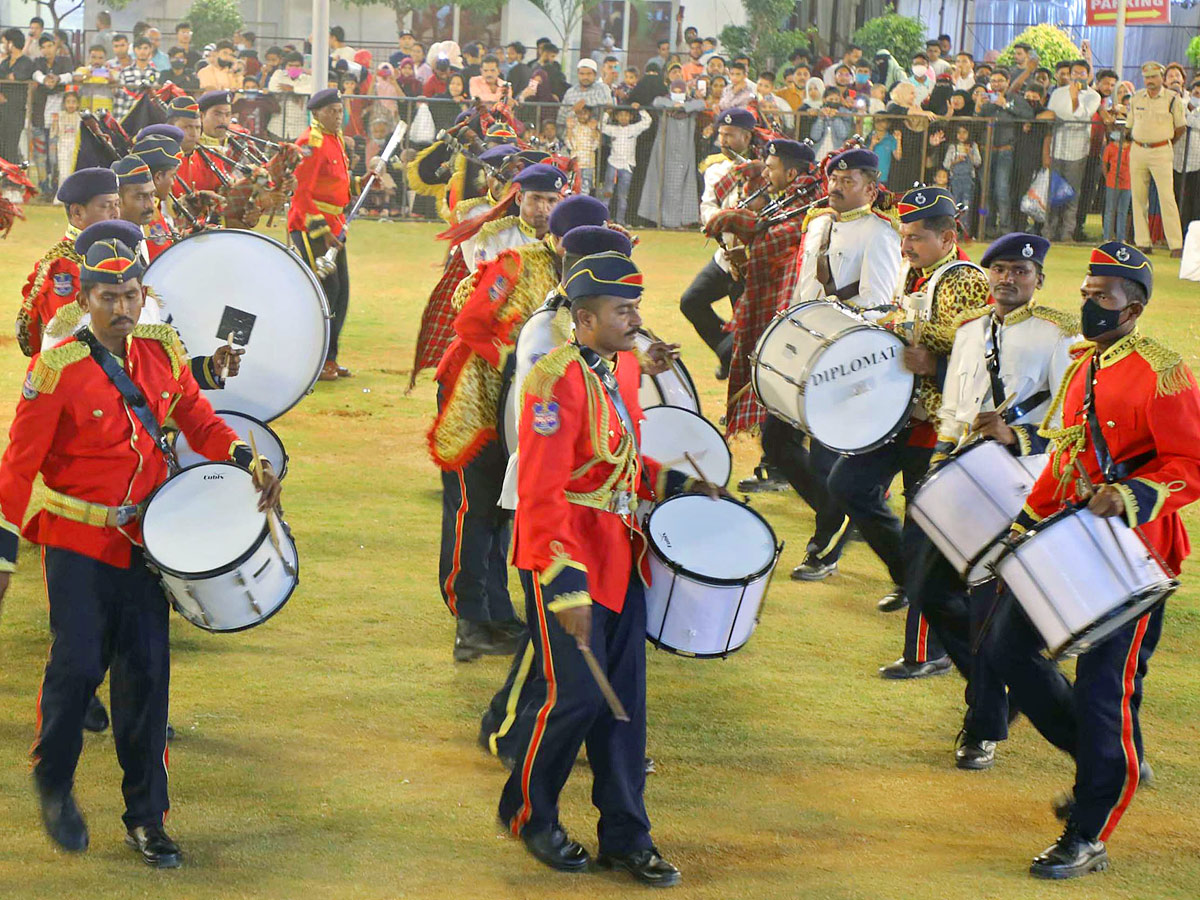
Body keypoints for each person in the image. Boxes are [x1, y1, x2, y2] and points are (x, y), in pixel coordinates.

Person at [0, 219, 279, 867]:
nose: (122, 308)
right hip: (76, 541)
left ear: (140, 291)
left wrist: (243, 457)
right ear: (84, 300)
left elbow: (198, 421)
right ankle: (54, 779)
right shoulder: (57, 367)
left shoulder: (161, 349)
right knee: (75, 669)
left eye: (131, 294)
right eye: (109, 297)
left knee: (147, 677)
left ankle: (146, 817)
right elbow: (18, 467)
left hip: (146, 544)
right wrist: (6, 549)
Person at [987, 242, 1200, 878]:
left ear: (1132, 308)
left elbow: (1190, 464)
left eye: (1102, 298)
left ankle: (1089, 831)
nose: (1089, 305)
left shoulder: (1166, 372)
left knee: (1106, 690)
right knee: (1004, 649)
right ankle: (1100, 757)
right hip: (1071, 539)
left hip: (1136, 558)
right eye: (1085, 293)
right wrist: (1024, 524)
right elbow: (1067, 454)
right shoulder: (1084, 364)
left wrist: (1133, 495)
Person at [496, 250, 690, 887]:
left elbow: (618, 462)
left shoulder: (612, 368)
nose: (636, 319)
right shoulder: (554, 381)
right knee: (574, 697)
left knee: (623, 705)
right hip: (567, 557)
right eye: (623, 310)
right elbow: (544, 490)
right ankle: (528, 813)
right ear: (583, 317)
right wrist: (565, 582)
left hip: (618, 552)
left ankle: (628, 836)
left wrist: (677, 483)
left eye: (635, 306)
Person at [919, 233, 1077, 768]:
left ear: (1039, 280)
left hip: (1015, 486)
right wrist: (939, 455)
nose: (1009, 279)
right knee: (926, 588)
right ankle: (1007, 686)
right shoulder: (969, 330)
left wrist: (1019, 436)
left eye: (1021, 272)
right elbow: (955, 407)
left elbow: (1074, 423)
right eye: (1001, 269)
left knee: (986, 607)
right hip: (958, 480)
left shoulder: (1059, 335)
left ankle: (983, 724)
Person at [429, 189, 604, 663]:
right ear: (562, 244)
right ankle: (469, 621)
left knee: (505, 512)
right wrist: (514, 363)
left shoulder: (581, 282)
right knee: (474, 509)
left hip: (517, 405)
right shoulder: (515, 264)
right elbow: (470, 324)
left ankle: (498, 614)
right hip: (475, 395)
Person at [848, 186, 987, 676]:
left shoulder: (963, 280)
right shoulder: (921, 271)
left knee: (925, 536)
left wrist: (935, 361)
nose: (904, 246)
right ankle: (913, 580)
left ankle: (928, 650)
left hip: (939, 425)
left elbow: (978, 355)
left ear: (948, 237)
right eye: (903, 237)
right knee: (847, 484)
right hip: (905, 417)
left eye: (915, 238)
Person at [289, 89, 380, 381]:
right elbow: (301, 194)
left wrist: (361, 182)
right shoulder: (310, 143)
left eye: (340, 111)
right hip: (311, 226)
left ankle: (330, 358)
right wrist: (323, 231)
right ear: (316, 113)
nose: (338, 116)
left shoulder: (335, 139)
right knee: (326, 291)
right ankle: (315, 357)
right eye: (331, 111)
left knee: (341, 294)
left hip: (336, 225)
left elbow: (336, 185)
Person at [681, 107, 754, 377]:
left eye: (731, 135)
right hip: (724, 258)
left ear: (747, 137)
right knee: (691, 302)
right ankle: (726, 351)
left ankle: (740, 398)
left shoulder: (764, 171)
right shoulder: (715, 171)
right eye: (721, 134)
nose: (723, 141)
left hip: (751, 264)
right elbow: (707, 208)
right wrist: (723, 220)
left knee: (746, 332)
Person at [18, 169, 121, 357]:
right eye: (107, 206)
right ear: (77, 213)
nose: (116, 213)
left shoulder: (107, 253)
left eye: (117, 204)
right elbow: (67, 343)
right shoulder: (65, 267)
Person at [1127, 62, 1187, 258]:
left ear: (1162, 77)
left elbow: (1180, 128)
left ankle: (1176, 245)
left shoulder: (1172, 99)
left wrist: (1164, 142)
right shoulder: (1136, 98)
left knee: (1167, 197)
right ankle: (1143, 243)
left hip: (1161, 150)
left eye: (1154, 77)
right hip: (1137, 149)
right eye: (1147, 78)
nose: (1150, 81)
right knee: (1138, 198)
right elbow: (1129, 125)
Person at [1045, 59, 1100, 242]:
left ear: (1088, 75)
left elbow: (1082, 117)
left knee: (1072, 194)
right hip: (1057, 149)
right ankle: (1049, 232)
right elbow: (1051, 116)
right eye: (1074, 73)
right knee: (1053, 193)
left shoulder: (1093, 96)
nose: (1077, 76)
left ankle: (1067, 233)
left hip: (1077, 152)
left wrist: (1075, 97)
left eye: (1081, 73)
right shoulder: (1057, 93)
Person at [639, 81, 705, 227]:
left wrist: (682, 106)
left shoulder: (691, 104)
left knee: (682, 184)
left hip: (685, 151)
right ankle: (662, 220)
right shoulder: (664, 101)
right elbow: (657, 102)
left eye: (680, 90)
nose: (677, 93)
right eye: (675, 90)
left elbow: (701, 104)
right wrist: (673, 105)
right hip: (664, 151)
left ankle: (678, 222)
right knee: (662, 183)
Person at [600, 106, 652, 224]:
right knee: (608, 192)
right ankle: (604, 220)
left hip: (627, 166)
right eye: (620, 115)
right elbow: (600, 126)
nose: (623, 117)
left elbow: (647, 121)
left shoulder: (634, 129)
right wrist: (607, 114)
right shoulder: (612, 129)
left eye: (626, 115)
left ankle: (620, 221)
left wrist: (640, 109)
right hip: (613, 164)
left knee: (623, 196)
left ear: (630, 117)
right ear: (617, 117)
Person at [0, 28, 35, 163]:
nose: (4, 46)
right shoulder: (5, 62)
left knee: (11, 146)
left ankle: (13, 180)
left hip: (16, 111)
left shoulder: (26, 62)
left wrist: (7, 77)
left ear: (12, 43)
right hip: (2, 110)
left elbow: (16, 76)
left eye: (5, 42)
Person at [113, 36, 158, 122]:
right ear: (134, 50)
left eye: (145, 48)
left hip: (149, 117)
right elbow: (120, 98)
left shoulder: (156, 73)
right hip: (128, 114)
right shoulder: (125, 72)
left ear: (150, 50)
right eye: (139, 48)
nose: (142, 51)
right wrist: (118, 121)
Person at [557, 58, 614, 128]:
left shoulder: (602, 88)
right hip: (574, 133)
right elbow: (561, 119)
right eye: (582, 74)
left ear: (595, 74)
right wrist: (574, 111)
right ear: (578, 74)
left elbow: (609, 109)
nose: (585, 77)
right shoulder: (570, 92)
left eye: (589, 74)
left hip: (598, 132)